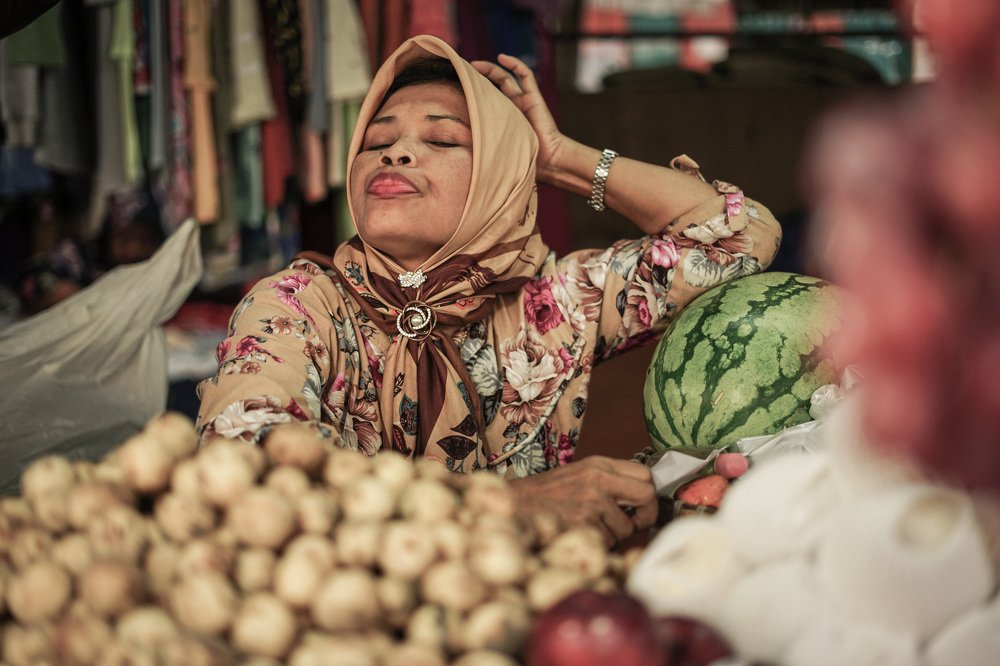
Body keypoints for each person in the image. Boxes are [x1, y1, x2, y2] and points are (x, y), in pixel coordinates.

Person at [197, 35, 782, 544]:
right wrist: (508, 505)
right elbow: (242, 466)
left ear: (501, 177)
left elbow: (739, 240)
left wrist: (559, 158)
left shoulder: (554, 304)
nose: (395, 153)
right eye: (375, 143)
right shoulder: (296, 304)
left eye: (443, 140)